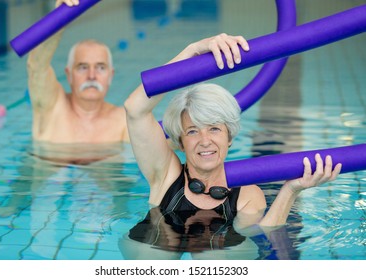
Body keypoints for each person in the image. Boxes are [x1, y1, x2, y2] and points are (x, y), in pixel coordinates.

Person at [124, 33, 342, 234]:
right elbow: (135, 108)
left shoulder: (248, 194)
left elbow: (259, 236)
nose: (205, 141)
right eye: (192, 131)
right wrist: (191, 51)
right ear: (180, 142)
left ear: (229, 138)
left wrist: (291, 190)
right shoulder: (165, 174)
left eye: (214, 129)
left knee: (213, 254)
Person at [27, 0, 129, 144]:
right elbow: (36, 65)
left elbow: (160, 146)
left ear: (110, 75)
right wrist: (60, 17)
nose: (92, 76)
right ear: (69, 75)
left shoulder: (122, 121)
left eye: (100, 67)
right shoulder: (52, 107)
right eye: (83, 67)